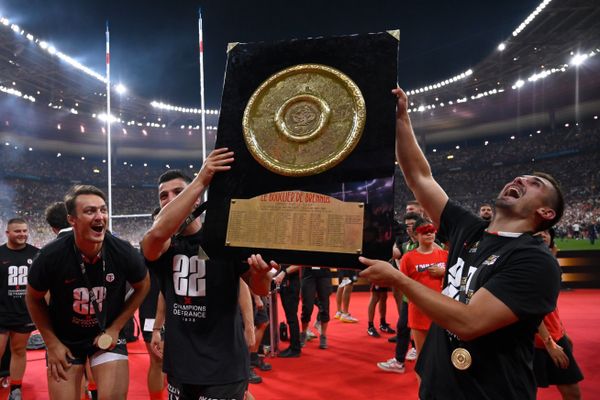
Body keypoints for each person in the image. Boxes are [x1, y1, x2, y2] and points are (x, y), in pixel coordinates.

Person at [360, 87, 564, 399]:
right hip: (438, 385)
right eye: (520, 177)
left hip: (491, 391)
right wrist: (401, 119)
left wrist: (398, 279)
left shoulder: (535, 261)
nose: (520, 179)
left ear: (545, 212)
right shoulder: (470, 229)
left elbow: (469, 322)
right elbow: (419, 177)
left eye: (534, 184)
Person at [140, 148, 275, 400]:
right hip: (180, 365)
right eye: (163, 196)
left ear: (197, 198)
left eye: (178, 192)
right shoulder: (163, 245)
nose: (169, 199)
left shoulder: (224, 238)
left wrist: (260, 280)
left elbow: (257, 287)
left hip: (222, 364)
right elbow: (163, 290)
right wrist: (201, 179)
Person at [26, 185, 150, 400]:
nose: (100, 216)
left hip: (106, 335)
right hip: (64, 339)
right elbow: (33, 298)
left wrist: (115, 327)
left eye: (103, 210)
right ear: (72, 219)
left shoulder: (122, 251)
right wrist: (52, 343)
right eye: (90, 211)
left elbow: (143, 286)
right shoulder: (50, 255)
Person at [533, 228, 583, 400]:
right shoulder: (529, 265)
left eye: (547, 232)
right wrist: (549, 343)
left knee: (572, 390)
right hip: (534, 341)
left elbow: (551, 308)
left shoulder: (548, 263)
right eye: (538, 232)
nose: (543, 234)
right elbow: (532, 309)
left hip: (555, 336)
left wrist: (562, 332)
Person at [0, 218, 39, 400]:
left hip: (24, 313)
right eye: (17, 231)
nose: (22, 234)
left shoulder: (37, 254)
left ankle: (16, 388)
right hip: (1, 313)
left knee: (19, 350)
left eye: (24, 230)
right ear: (8, 233)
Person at [138, 207, 166, 400]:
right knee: (157, 361)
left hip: (182, 309)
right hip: (151, 311)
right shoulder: (146, 248)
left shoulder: (191, 245)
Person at [273, 265, 302, 358]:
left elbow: (298, 265)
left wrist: (283, 272)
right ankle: (294, 346)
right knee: (290, 317)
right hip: (285, 284)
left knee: (292, 317)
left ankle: (295, 349)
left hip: (291, 285)